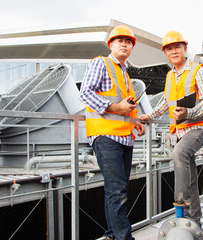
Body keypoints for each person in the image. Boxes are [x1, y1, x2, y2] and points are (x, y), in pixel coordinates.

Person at [139, 31, 203, 226]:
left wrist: (189, 113)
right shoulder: (171, 75)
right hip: (180, 131)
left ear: (184, 49)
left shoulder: (199, 71)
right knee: (189, 175)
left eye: (176, 47)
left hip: (199, 126)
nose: (173, 51)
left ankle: (181, 206)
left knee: (179, 153)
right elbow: (167, 101)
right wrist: (151, 115)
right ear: (165, 52)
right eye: (169, 49)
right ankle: (195, 219)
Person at [79, 25, 145, 240]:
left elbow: (124, 105)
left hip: (124, 137)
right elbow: (85, 93)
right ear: (111, 45)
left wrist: (134, 120)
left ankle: (111, 234)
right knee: (117, 191)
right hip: (106, 135)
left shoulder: (125, 73)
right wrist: (115, 108)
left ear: (132, 47)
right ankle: (124, 237)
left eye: (128, 42)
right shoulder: (101, 63)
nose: (124, 44)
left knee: (118, 190)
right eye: (119, 41)